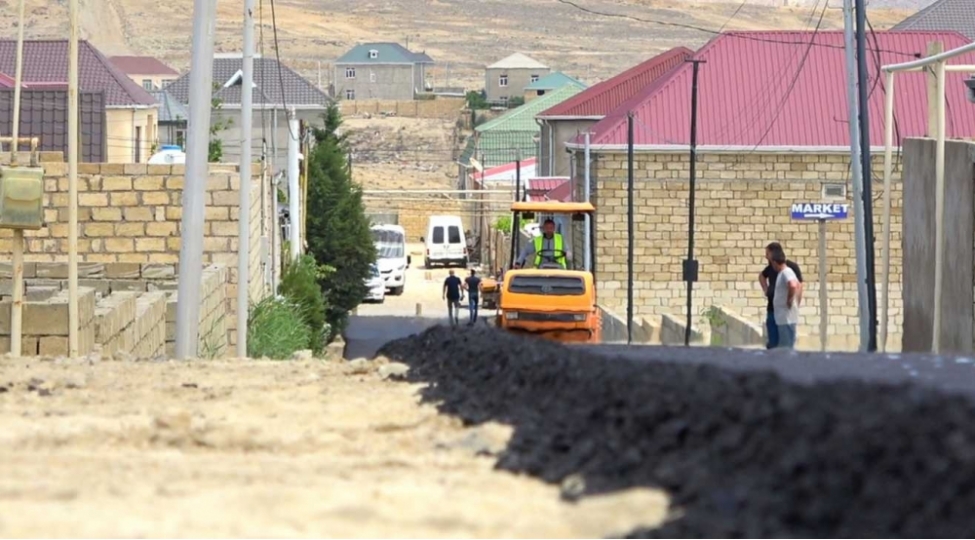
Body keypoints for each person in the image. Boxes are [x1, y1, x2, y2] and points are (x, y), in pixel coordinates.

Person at [758, 242, 803, 349]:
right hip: (773, 310)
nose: (766, 256)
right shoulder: (771, 268)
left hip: (785, 314)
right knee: (773, 343)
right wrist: (766, 290)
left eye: (767, 253)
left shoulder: (788, 269)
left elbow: (797, 285)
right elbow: (761, 276)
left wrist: (792, 301)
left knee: (785, 345)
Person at [770, 248, 801, 349]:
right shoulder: (785, 272)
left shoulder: (786, 272)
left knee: (786, 348)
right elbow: (798, 285)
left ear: (775, 262)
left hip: (786, 318)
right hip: (783, 318)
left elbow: (793, 285)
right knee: (784, 346)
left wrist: (789, 300)